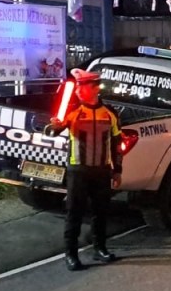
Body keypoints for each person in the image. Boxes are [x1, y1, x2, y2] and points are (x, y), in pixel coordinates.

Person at [47, 68, 123, 271]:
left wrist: (117, 170)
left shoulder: (110, 113)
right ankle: (71, 255)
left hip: (102, 171)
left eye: (82, 87)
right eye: (77, 87)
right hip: (78, 172)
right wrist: (53, 126)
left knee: (101, 212)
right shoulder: (71, 111)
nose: (78, 90)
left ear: (95, 88)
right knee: (74, 213)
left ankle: (100, 249)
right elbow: (53, 132)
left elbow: (117, 143)